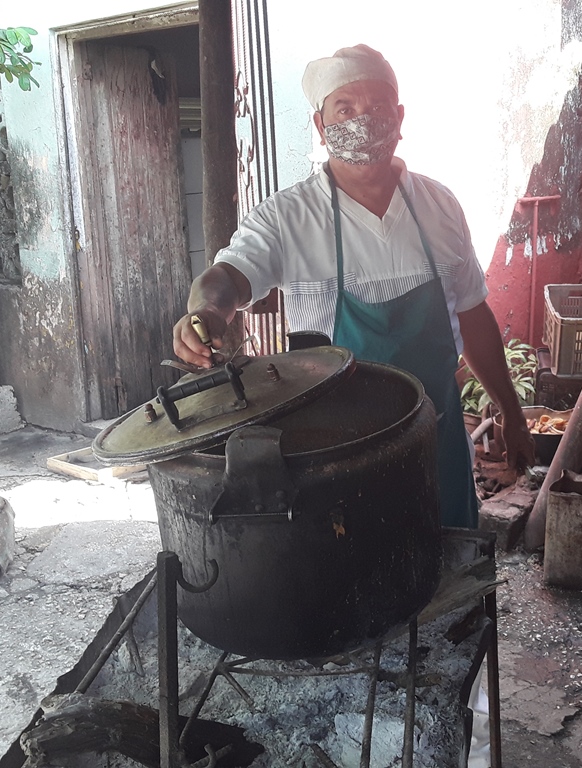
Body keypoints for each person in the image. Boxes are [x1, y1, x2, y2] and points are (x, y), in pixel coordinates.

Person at [172, 44, 534, 529]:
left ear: (399, 117)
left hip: (437, 444)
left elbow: (473, 315)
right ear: (321, 126)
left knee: (451, 563)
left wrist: (512, 412)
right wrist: (208, 310)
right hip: (334, 458)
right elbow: (227, 276)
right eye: (344, 109)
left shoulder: (440, 206)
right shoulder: (288, 217)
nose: (362, 119)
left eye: (376, 106)